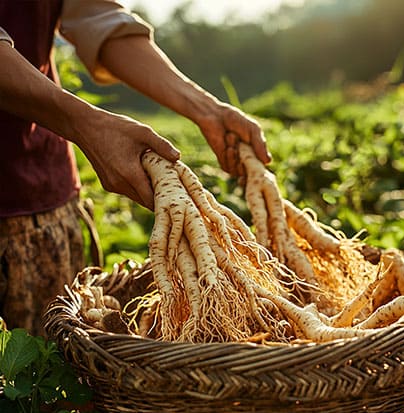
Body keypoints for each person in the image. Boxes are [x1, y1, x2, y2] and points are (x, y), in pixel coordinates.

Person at [0, 0, 271, 337]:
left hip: (46, 200)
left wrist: (207, 110)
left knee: (53, 373)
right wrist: (85, 123)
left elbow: (95, 16)